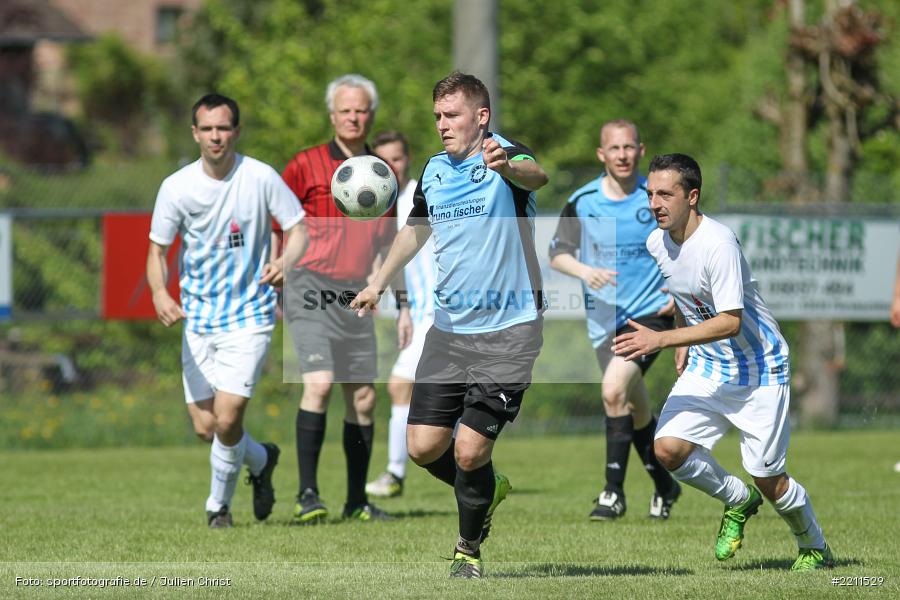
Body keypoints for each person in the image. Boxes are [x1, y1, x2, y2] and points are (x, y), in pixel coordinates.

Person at [351, 71, 549, 579]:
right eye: (437, 116)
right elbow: (416, 232)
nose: (442, 124)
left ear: (481, 117)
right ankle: (487, 486)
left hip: (509, 328)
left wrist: (507, 167)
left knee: (467, 450)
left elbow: (536, 175)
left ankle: (467, 550)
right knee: (422, 447)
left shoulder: (503, 154)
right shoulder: (435, 171)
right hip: (450, 329)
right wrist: (377, 282)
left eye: (452, 115)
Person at [613, 153, 833, 570]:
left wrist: (662, 338)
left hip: (760, 369)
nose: (654, 203)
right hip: (709, 365)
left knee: (769, 478)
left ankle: (813, 546)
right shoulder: (656, 241)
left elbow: (731, 322)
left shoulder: (718, 244)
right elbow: (682, 295)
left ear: (692, 196)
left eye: (666, 194)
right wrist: (681, 340)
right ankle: (737, 499)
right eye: (650, 194)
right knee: (668, 449)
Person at [147, 93, 308, 528]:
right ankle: (260, 459)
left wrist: (284, 263)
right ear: (195, 133)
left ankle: (218, 507)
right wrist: (161, 294)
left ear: (235, 131)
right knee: (206, 427)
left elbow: (298, 229)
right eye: (208, 129)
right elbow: (157, 251)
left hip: (250, 315)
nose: (216, 136)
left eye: (224, 128)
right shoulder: (176, 187)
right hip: (198, 320)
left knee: (229, 415)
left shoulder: (260, 177)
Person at [280, 74, 410, 524]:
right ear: (332, 115)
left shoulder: (382, 173)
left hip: (357, 293)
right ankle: (307, 496)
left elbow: (389, 246)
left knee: (363, 400)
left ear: (371, 115)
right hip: (309, 287)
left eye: (361, 110)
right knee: (318, 385)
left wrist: (402, 304)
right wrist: (276, 271)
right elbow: (280, 223)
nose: (353, 117)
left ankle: (357, 501)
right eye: (345, 110)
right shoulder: (304, 165)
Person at [549, 119, 680, 521]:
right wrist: (585, 272)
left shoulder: (655, 196)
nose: (622, 155)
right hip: (603, 320)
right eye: (614, 148)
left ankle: (612, 493)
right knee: (634, 409)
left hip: (649, 317)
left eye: (629, 148)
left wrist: (678, 292)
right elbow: (558, 253)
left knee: (611, 391)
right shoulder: (584, 200)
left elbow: (691, 246)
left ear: (641, 151)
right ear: (601, 155)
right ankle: (664, 485)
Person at [365, 130, 437, 499]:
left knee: (400, 386)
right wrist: (404, 310)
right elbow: (400, 263)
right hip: (420, 311)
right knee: (408, 389)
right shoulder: (383, 203)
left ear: (407, 159)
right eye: (384, 161)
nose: (392, 166)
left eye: (397, 158)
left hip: (442, 310)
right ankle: (399, 471)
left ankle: (395, 473)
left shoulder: (420, 197)